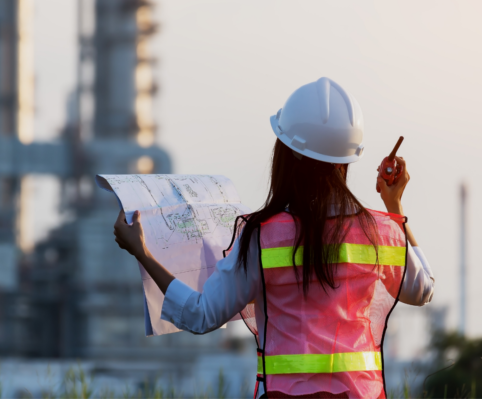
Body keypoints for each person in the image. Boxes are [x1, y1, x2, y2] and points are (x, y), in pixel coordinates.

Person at [112, 77, 434, 399]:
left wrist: (142, 251)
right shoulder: (380, 232)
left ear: (289, 154)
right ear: (348, 160)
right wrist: (394, 205)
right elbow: (422, 289)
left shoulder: (262, 237)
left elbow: (200, 314)